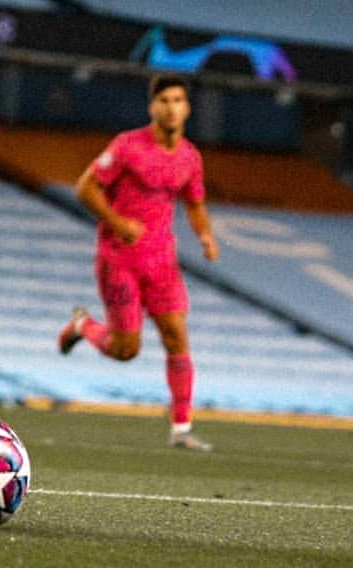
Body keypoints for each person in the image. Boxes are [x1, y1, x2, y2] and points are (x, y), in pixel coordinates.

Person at [57, 74, 219, 451]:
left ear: (187, 108)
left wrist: (206, 236)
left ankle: (181, 428)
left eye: (178, 100)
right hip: (120, 260)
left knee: (177, 337)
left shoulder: (190, 157)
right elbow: (85, 187)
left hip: (162, 261)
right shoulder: (128, 147)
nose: (171, 106)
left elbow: (194, 204)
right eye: (164, 100)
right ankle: (83, 325)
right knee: (126, 351)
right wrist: (117, 222)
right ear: (153, 107)